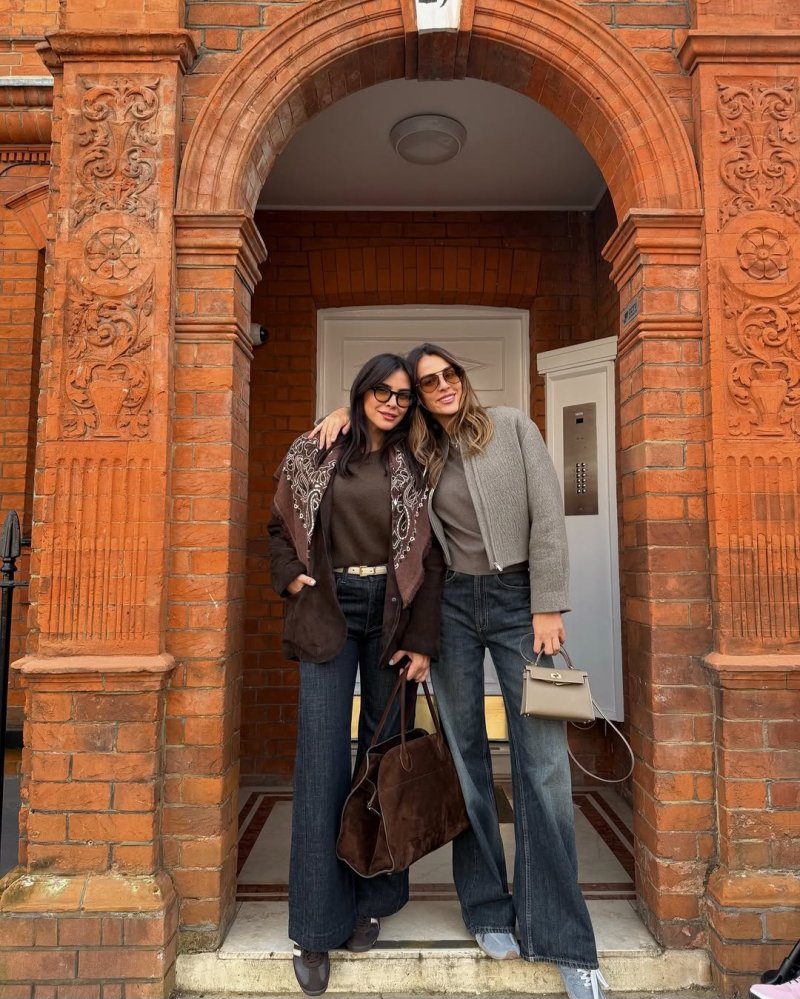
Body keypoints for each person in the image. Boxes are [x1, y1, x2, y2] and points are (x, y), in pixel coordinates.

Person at [313, 343, 608, 999]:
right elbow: (373, 435)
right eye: (428, 382)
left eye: (450, 374)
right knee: (465, 757)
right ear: (418, 397)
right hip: (449, 608)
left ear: (463, 380)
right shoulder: (416, 453)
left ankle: (563, 937)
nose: (443, 385)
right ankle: (486, 907)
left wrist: (548, 603)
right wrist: (340, 414)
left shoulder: (513, 427)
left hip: (517, 602)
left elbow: (547, 515)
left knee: (543, 766)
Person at [269, 353, 444, 996]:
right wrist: (291, 576)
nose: (393, 403)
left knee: (382, 756)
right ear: (362, 391)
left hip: (393, 616)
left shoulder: (418, 461)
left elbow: (433, 556)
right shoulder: (315, 449)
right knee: (321, 762)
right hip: (329, 608)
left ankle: (372, 899)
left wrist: (422, 640)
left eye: (404, 396)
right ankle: (316, 926)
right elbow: (278, 526)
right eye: (382, 392)